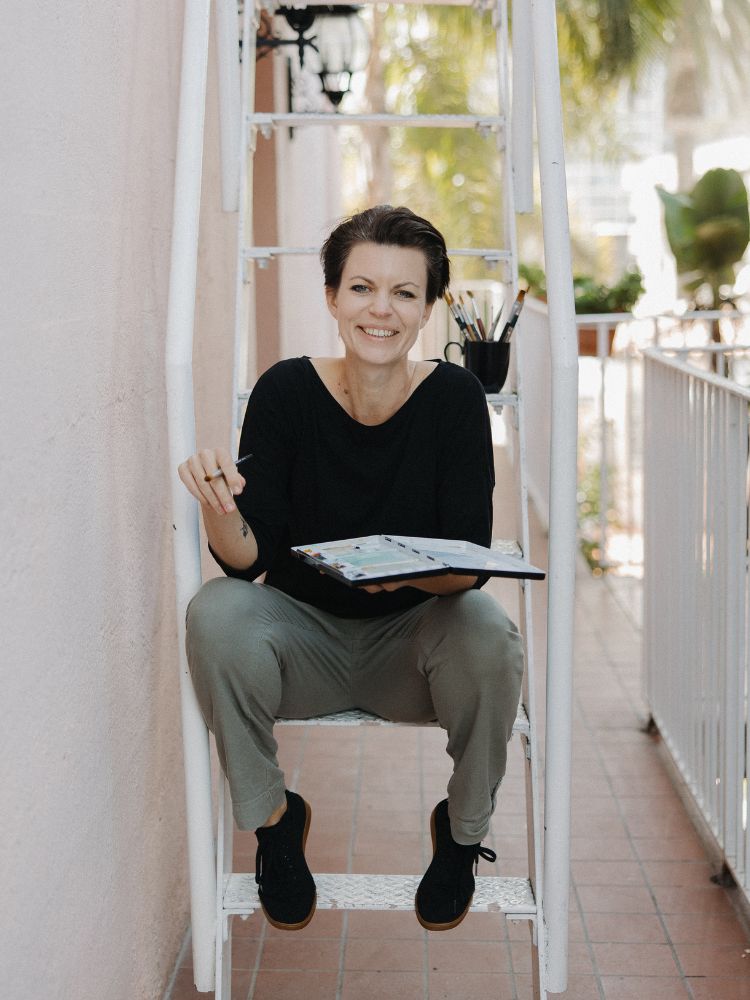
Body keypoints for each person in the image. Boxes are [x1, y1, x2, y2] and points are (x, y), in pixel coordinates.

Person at [178, 205, 524, 933]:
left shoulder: (458, 399)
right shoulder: (285, 392)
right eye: (362, 287)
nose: (382, 310)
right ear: (332, 298)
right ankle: (275, 826)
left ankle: (461, 838)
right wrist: (218, 508)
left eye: (405, 293)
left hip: (415, 650)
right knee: (214, 609)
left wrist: (409, 576)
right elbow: (250, 560)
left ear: (430, 309)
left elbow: (469, 561)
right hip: (302, 644)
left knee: (489, 631)